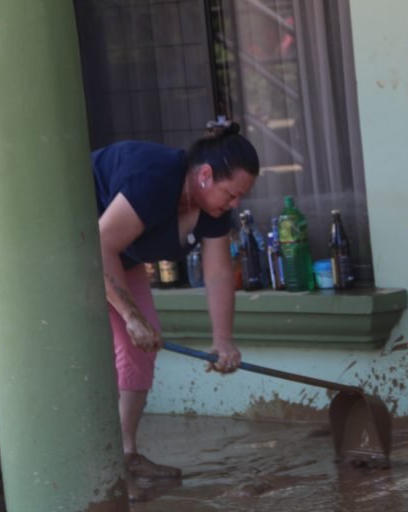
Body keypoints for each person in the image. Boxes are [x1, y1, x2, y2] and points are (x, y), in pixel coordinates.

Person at [92, 120, 260, 501]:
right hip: (79, 244)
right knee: (99, 348)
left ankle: (127, 453)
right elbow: (100, 244)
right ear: (204, 175)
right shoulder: (154, 178)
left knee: (140, 349)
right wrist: (129, 316)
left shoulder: (213, 210)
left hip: (119, 254)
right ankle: (105, 471)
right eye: (231, 194)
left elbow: (217, 274)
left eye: (240, 198)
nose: (234, 205)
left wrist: (223, 342)